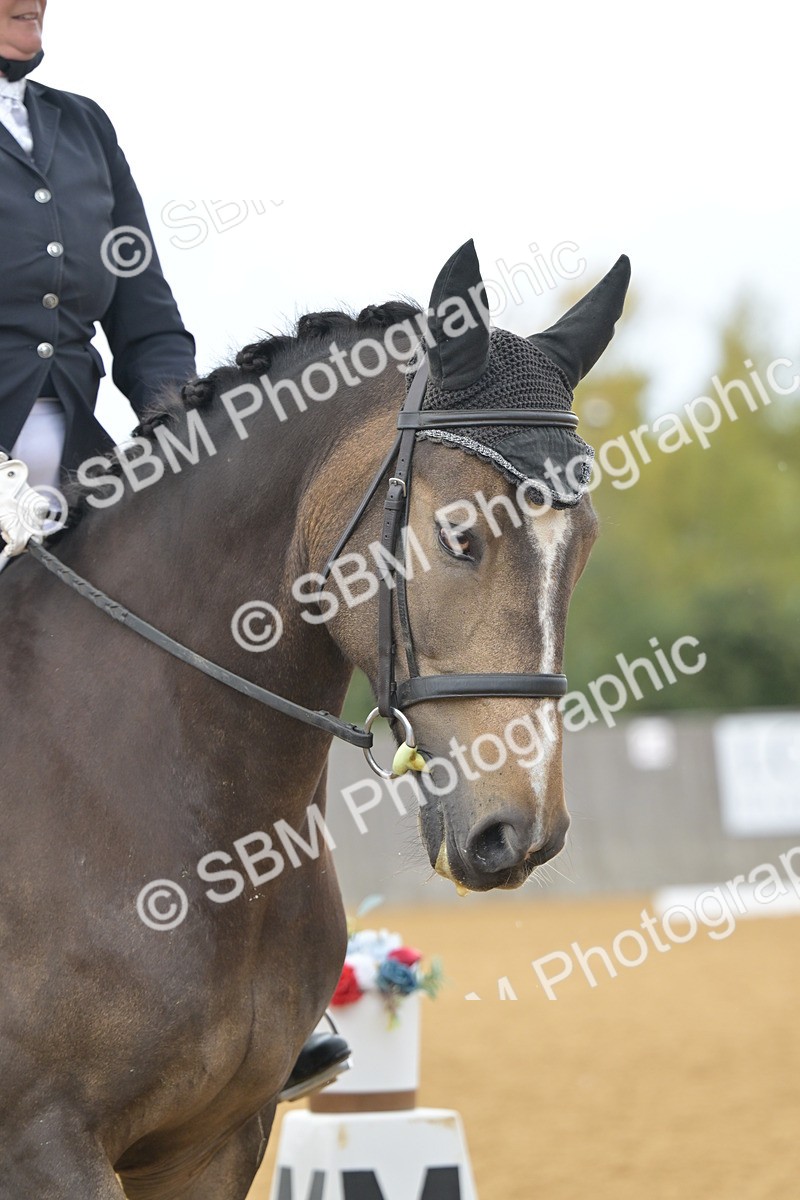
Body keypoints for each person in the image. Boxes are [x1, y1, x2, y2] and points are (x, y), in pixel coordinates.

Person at [0, 0, 349, 1101]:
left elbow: (145, 315)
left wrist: (177, 442)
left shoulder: (82, 127)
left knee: (234, 655)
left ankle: (258, 988)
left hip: (88, 464)